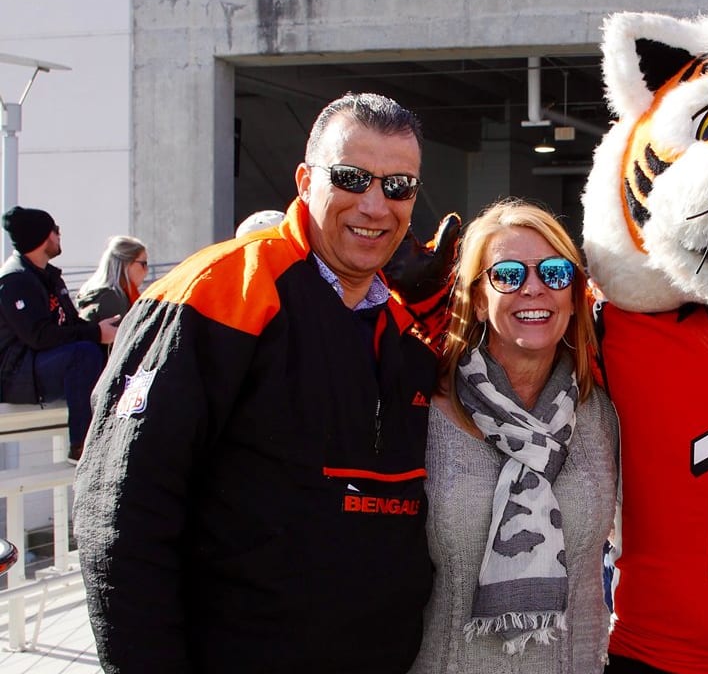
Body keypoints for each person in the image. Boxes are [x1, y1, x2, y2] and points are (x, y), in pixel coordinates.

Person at [73, 92, 456, 673]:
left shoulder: (404, 324)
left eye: (399, 186)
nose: (376, 205)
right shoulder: (217, 292)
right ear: (306, 181)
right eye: (352, 178)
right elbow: (121, 510)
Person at [410, 199, 618, 673]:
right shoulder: (424, 409)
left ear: (573, 296)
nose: (534, 289)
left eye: (554, 273)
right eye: (507, 274)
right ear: (478, 299)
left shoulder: (602, 412)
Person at [0, 206, 117, 462]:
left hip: (43, 366)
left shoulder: (50, 277)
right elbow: (38, 337)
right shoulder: (14, 281)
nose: (59, 235)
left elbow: (71, 325)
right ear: (43, 237)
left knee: (98, 349)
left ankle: (115, 433)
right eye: (55, 230)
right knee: (84, 352)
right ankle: (81, 446)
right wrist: (95, 333)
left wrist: (101, 329)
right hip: (18, 374)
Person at [75, 235, 149, 324]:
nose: (147, 270)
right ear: (126, 264)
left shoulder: (104, 294)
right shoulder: (113, 299)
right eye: (143, 263)